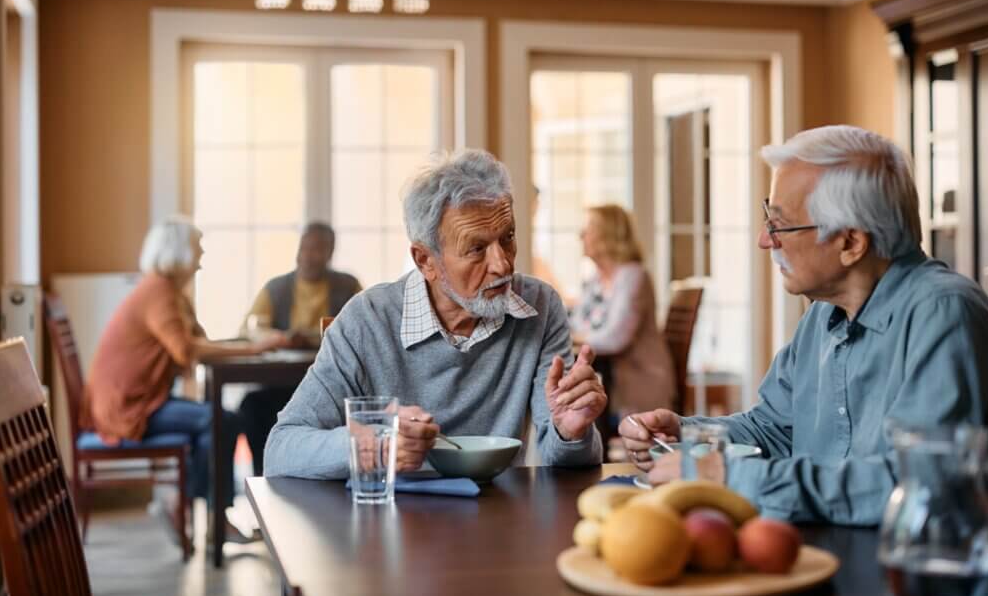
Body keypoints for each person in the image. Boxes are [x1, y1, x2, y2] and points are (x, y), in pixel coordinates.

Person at [620, 125, 988, 526]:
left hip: (917, 576)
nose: (765, 241)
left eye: (780, 225)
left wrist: (726, 477)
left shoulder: (944, 313)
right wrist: (686, 437)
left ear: (851, 243)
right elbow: (776, 430)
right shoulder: (823, 314)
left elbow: (913, 486)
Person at [264, 150, 608, 479]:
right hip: (389, 525)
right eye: (476, 248)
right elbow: (280, 450)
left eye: (508, 238)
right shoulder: (366, 320)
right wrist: (373, 445)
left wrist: (570, 433)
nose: (502, 264)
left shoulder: (540, 306)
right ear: (425, 261)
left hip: (500, 520)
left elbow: (565, 460)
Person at [83, 215, 285, 541]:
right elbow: (187, 351)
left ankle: (200, 512)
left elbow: (199, 341)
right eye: (197, 251)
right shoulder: (159, 292)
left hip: (140, 399)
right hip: (128, 407)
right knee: (224, 421)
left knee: (215, 424)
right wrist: (254, 349)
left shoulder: (168, 291)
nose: (201, 261)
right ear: (179, 253)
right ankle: (205, 514)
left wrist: (247, 346)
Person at [238, 223, 362, 475]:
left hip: (330, 385)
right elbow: (249, 329)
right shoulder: (276, 288)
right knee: (251, 407)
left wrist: (312, 339)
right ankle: (265, 477)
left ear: (330, 253)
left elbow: (364, 329)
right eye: (303, 247)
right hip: (280, 385)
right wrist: (281, 338)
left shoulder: (348, 286)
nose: (307, 254)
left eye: (316, 249)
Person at [570, 205, 677, 418]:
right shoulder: (595, 280)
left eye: (589, 228)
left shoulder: (633, 276)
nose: (580, 235)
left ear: (609, 235)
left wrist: (577, 337)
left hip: (641, 379)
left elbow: (615, 338)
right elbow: (575, 325)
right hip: (608, 377)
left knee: (580, 402)